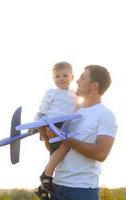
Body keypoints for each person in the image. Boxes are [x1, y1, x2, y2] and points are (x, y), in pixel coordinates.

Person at [39, 65, 117, 200]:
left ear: (94, 86)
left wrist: (66, 139)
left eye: (82, 78)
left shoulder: (105, 114)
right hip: (56, 186)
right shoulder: (72, 113)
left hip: (81, 190)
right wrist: (47, 136)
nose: (76, 81)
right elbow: (55, 149)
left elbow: (101, 153)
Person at [31, 62, 79, 200]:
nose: (61, 78)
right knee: (57, 151)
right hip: (53, 124)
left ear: (72, 77)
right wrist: (36, 124)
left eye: (65, 75)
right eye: (57, 76)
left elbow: (77, 107)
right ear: (53, 79)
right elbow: (42, 110)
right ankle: (45, 178)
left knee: (60, 155)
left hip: (66, 125)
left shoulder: (74, 94)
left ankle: (43, 187)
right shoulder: (51, 93)